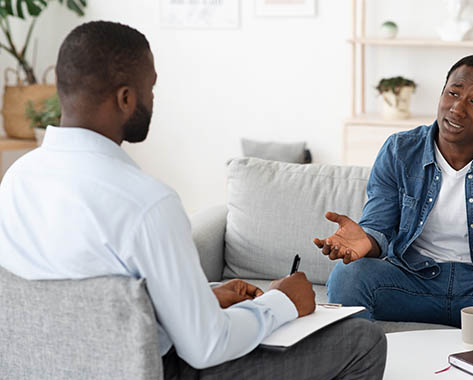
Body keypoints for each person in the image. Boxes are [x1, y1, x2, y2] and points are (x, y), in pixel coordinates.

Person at [0, 21, 386, 379]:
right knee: (362, 341)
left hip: (57, 368)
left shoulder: (17, 178)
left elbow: (83, 301)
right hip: (151, 370)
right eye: (150, 87)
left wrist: (198, 300)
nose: (153, 99)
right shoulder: (146, 203)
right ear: (125, 97)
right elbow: (206, 347)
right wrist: (282, 302)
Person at [314, 54, 473, 334]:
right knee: (348, 275)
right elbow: (378, 228)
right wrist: (367, 241)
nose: (457, 109)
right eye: (453, 93)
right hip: (412, 282)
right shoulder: (399, 150)